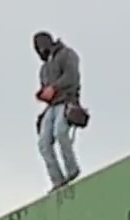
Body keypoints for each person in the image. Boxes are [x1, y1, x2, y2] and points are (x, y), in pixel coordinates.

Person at [33, 31, 83, 190]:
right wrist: (43, 94)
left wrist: (54, 88)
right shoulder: (44, 69)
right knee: (43, 143)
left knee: (61, 132)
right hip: (51, 106)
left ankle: (72, 169)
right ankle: (57, 180)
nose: (40, 51)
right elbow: (44, 87)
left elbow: (72, 76)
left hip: (67, 101)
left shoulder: (67, 54)